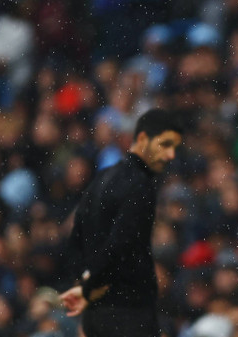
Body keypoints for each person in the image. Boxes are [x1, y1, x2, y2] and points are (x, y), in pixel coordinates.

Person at [60, 108, 183, 337]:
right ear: (143, 139)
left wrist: (86, 284)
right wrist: (90, 286)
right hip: (129, 314)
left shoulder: (103, 177)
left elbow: (76, 238)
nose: (171, 155)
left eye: (174, 147)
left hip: (95, 315)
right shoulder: (141, 185)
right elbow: (121, 244)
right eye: (165, 144)